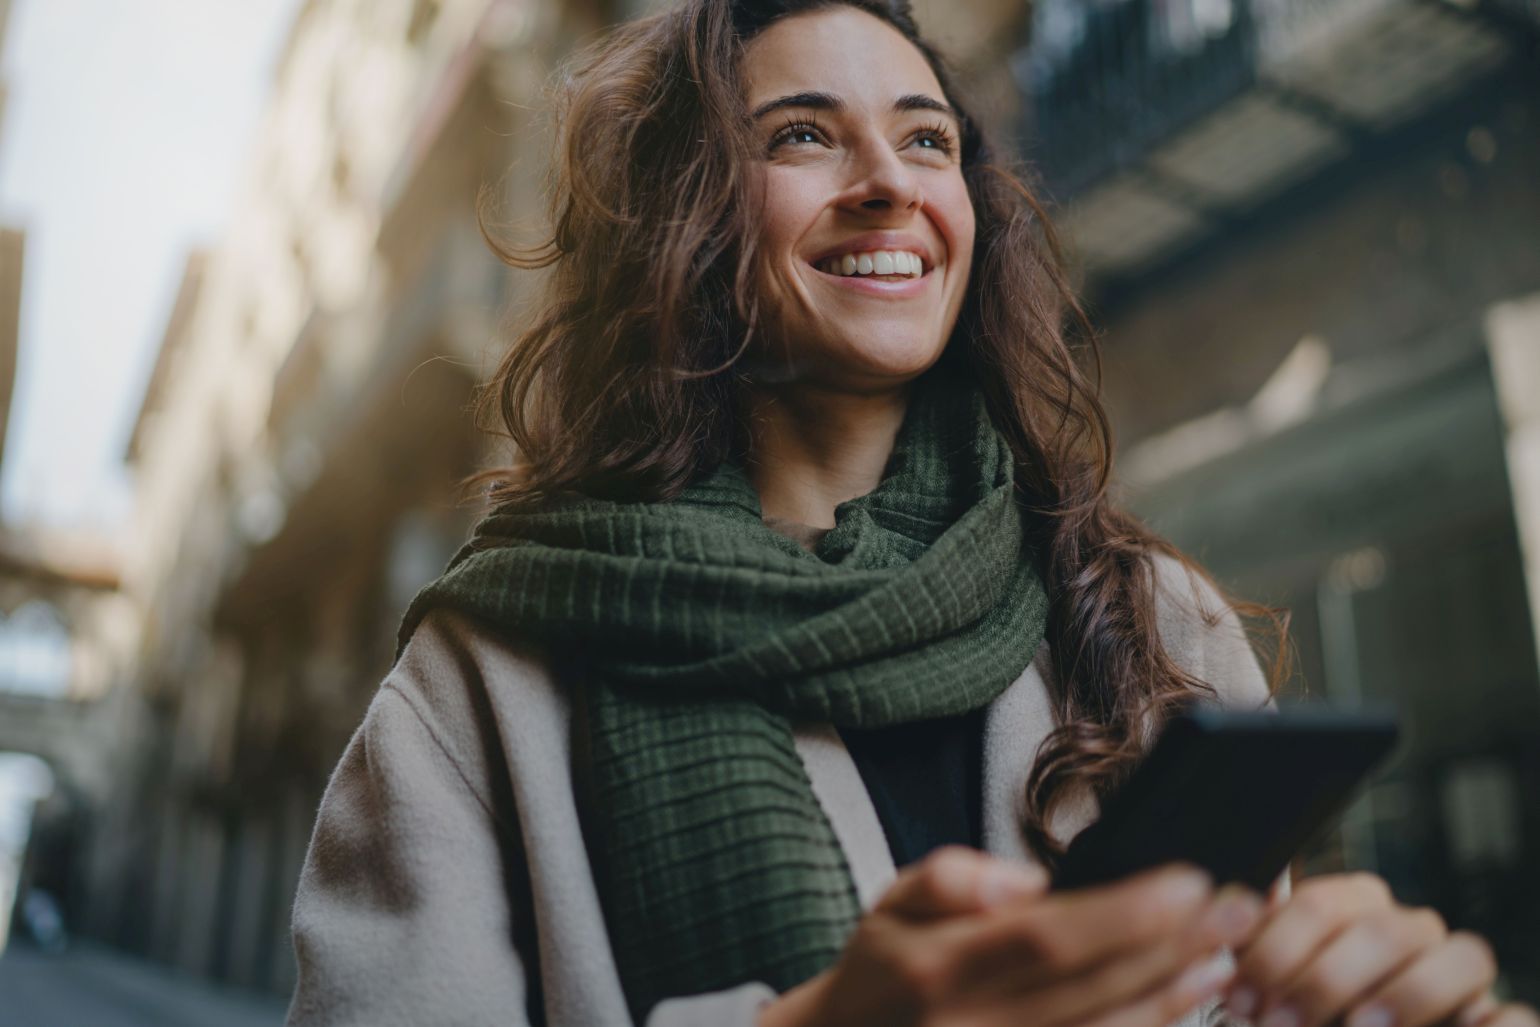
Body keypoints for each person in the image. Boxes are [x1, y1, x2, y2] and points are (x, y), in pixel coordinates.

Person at [284, 2, 1540, 1026]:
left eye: (927, 140)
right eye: (801, 136)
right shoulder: (487, 677)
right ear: (683, 218)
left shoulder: (1146, 614)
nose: (888, 181)